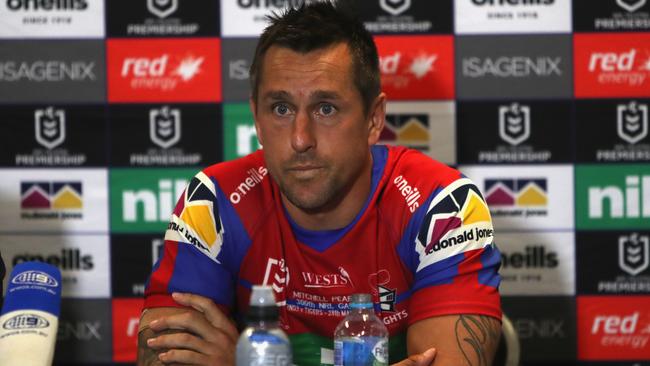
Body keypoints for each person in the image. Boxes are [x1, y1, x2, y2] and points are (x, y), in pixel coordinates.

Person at [137, 1, 502, 365]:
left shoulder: (441, 206)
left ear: (374, 120)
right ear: (257, 120)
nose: (300, 139)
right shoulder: (215, 202)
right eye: (281, 108)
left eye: (325, 108)